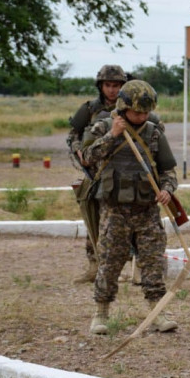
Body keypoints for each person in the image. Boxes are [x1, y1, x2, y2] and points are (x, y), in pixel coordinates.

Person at [81, 80, 178, 336]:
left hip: (147, 211)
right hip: (115, 212)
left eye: (145, 112)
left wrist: (167, 189)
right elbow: (87, 157)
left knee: (153, 262)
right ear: (124, 108)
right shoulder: (103, 127)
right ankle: (100, 312)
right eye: (137, 112)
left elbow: (168, 170)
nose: (142, 116)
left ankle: (158, 313)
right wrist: (112, 135)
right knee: (110, 263)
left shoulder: (155, 133)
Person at [67, 64, 129, 284]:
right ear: (101, 86)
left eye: (116, 85)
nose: (112, 90)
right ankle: (94, 265)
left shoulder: (130, 107)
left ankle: (118, 266)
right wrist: (78, 151)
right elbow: (73, 134)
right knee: (92, 218)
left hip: (122, 174)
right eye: (108, 85)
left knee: (118, 223)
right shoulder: (89, 109)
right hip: (94, 174)